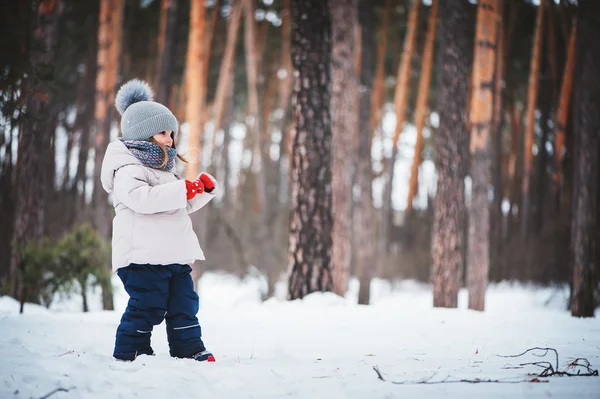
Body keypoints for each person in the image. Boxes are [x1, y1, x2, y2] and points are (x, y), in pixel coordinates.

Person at [100, 79, 217, 362]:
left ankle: (189, 349)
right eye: (163, 133)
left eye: (172, 133)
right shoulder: (127, 169)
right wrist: (180, 189)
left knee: (184, 304)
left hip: (172, 255)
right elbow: (143, 199)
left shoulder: (165, 170)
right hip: (141, 258)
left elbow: (176, 206)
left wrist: (202, 192)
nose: (170, 139)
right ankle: (132, 349)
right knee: (148, 305)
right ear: (142, 135)